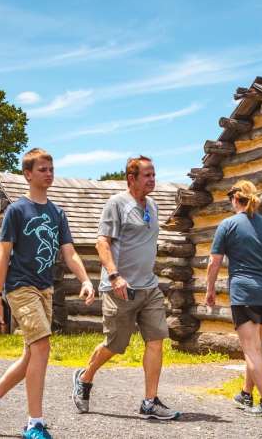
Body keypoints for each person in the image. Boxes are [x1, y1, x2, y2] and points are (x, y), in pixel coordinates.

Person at [0, 148, 95, 439]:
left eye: (51, 169)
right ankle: (34, 423)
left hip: (45, 288)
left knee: (32, 355)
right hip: (19, 286)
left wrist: (86, 279)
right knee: (42, 346)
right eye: (42, 169)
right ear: (28, 174)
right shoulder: (17, 211)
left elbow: (69, 252)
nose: (49, 174)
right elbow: (3, 257)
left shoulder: (57, 213)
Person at [72, 156, 180, 421]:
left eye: (154, 175)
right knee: (115, 344)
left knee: (156, 341)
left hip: (149, 287)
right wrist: (115, 275)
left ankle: (149, 401)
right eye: (147, 176)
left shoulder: (153, 205)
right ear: (131, 178)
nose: (153, 180)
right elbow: (102, 243)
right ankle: (85, 378)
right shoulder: (116, 204)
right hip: (119, 288)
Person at [206, 180, 262, 417]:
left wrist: (210, 289)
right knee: (255, 346)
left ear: (235, 198)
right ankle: (246, 393)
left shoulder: (228, 225)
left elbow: (214, 262)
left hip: (245, 293)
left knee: (252, 349)